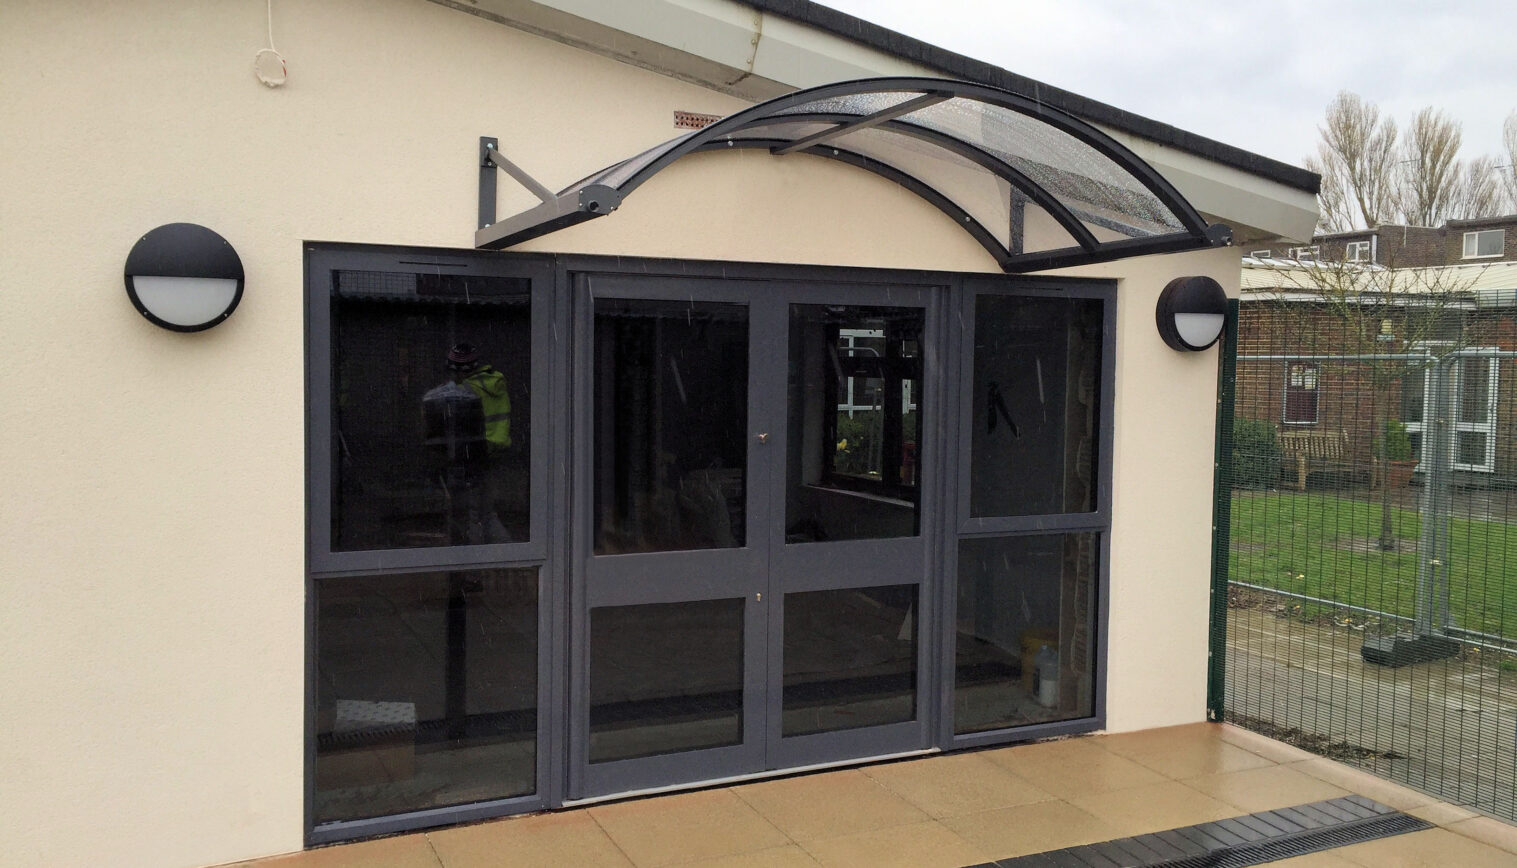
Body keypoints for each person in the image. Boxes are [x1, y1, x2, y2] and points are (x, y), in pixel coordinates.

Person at [447, 343, 511, 452]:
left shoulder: (464, 390)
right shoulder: (494, 381)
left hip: (479, 449)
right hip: (501, 447)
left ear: (460, 370)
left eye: (452, 371)